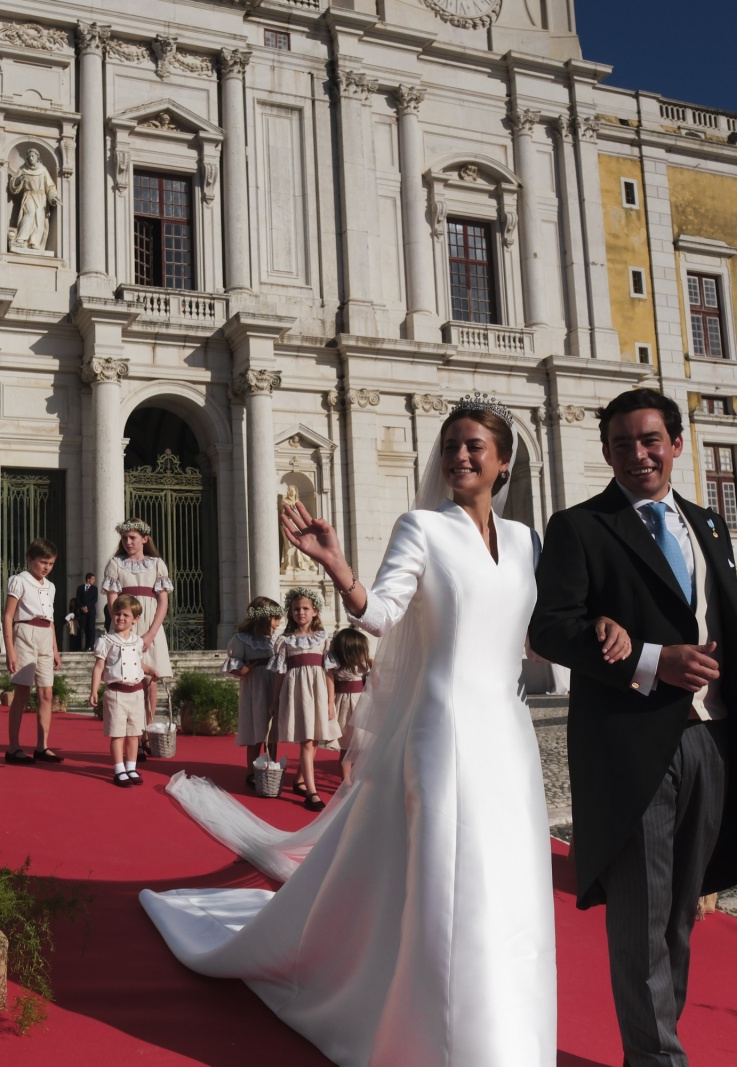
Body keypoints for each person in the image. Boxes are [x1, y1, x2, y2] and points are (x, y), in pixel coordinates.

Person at [139, 394, 568, 1066]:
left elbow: (536, 635)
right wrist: (337, 566)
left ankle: (512, 1041)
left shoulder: (527, 541)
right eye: (450, 444)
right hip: (441, 729)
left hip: (508, 734)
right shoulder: (421, 527)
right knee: (447, 888)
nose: (458, 455)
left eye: (473, 445)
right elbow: (382, 613)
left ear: (503, 461)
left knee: (511, 886)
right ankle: (438, 1042)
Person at [529, 388, 737, 1067]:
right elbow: (550, 626)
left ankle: (657, 1045)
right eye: (623, 443)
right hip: (630, 747)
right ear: (605, 452)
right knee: (641, 919)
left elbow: (728, 634)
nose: (637, 453)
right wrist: (652, 660)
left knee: (680, 917)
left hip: (709, 742)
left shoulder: (709, 525)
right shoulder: (581, 527)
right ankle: (657, 1058)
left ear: (676, 444)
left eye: (650, 439)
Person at [100, 519, 173, 748]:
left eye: (132, 537)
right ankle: (131, 733)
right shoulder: (115, 564)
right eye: (124, 538)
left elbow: (163, 601)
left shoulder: (157, 564)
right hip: (125, 627)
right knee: (129, 679)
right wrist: (123, 628)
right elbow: (113, 600)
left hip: (151, 626)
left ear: (144, 539)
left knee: (149, 680)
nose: (128, 542)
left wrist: (151, 633)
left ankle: (147, 732)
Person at [270, 588, 338, 812]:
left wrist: (330, 702)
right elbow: (280, 673)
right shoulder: (285, 640)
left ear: (315, 612)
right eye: (297, 609)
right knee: (307, 742)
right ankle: (312, 792)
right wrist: (276, 700)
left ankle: (300, 780)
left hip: (318, 693)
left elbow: (328, 673)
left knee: (315, 739)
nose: (301, 612)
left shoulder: (324, 638)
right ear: (291, 612)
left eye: (306, 609)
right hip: (297, 693)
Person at [2, 539, 65, 764]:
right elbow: (8, 615)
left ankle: (42, 746)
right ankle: (13, 748)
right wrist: (10, 650)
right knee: (21, 693)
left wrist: (56, 649)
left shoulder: (51, 586)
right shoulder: (19, 581)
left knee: (46, 694)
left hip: (45, 636)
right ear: (30, 559)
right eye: (43, 562)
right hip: (25, 633)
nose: (46, 567)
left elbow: (51, 619)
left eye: (51, 563)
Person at [90, 595, 158, 787]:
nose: (120, 618)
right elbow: (98, 667)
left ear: (135, 619)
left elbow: (137, 663)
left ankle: (131, 766)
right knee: (118, 733)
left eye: (125, 615)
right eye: (117, 614)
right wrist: (94, 690)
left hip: (136, 693)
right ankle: (119, 769)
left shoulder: (137, 642)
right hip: (116, 694)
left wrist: (150, 670)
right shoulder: (106, 641)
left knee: (134, 733)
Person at [224, 596, 283, 789]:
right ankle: (251, 770)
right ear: (263, 618)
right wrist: (243, 670)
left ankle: (270, 766)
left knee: (273, 730)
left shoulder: (275, 639)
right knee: (256, 727)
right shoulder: (241, 639)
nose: (277, 623)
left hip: (273, 684)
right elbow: (234, 666)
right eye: (274, 618)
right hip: (255, 686)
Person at [329, 627, 373, 776]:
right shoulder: (337, 668)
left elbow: (377, 685)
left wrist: (375, 669)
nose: (364, 654)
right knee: (346, 747)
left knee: (362, 745)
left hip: (361, 707)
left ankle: (358, 780)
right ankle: (346, 782)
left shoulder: (364, 667)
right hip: (343, 708)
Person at [75, 573, 99, 651]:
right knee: (84, 628)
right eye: (93, 579)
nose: (94, 581)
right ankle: (86, 646)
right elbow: (78, 599)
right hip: (83, 612)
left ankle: (91, 646)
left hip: (91, 611)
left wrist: (87, 607)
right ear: (88, 579)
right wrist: (82, 607)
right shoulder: (80, 588)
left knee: (91, 628)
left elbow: (94, 600)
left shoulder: (94, 588)